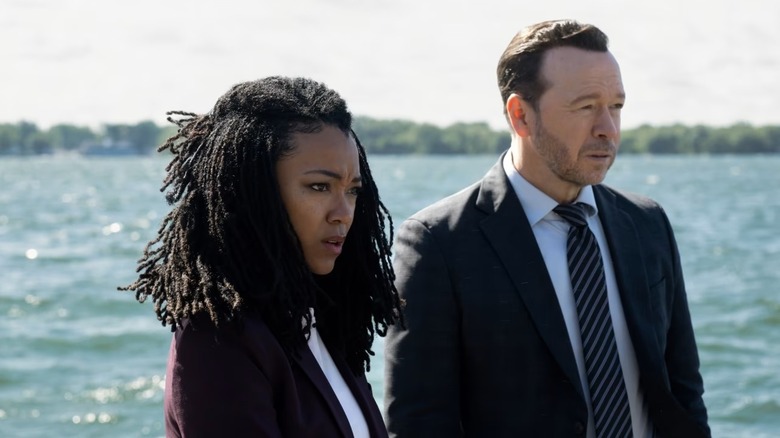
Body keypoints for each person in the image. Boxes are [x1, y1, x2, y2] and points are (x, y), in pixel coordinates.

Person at [384, 20, 709, 437]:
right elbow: (419, 423)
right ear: (521, 115)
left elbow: (684, 392)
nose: (608, 128)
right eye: (586, 107)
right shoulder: (438, 243)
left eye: (616, 106)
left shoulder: (646, 223)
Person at [121, 76, 403, 437]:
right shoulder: (218, 340)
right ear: (252, 192)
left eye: (352, 191)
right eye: (319, 187)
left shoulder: (322, 321)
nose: (344, 213)